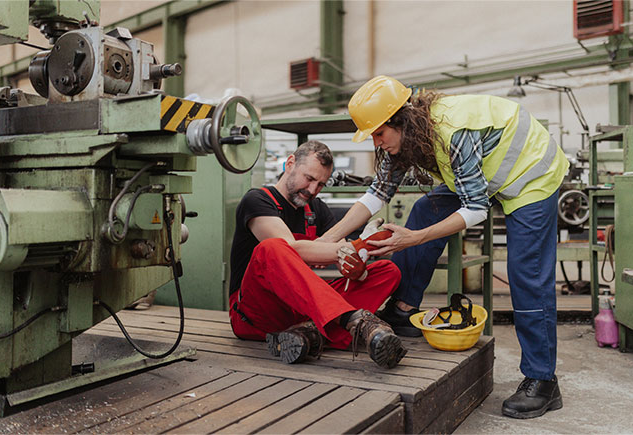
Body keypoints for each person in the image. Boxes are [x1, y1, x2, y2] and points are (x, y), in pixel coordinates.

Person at [320, 76, 568, 418]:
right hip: (488, 175)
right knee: (424, 210)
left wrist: (414, 237)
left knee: (526, 272)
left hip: (530, 174)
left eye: (378, 133)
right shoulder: (406, 139)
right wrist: (326, 241)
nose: (376, 143)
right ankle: (404, 309)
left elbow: (476, 208)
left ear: (399, 121)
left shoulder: (454, 131)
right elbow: (377, 194)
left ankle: (542, 380)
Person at [228, 140, 407, 369]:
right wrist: (357, 246)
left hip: (303, 308)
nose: (312, 190)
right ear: (290, 163)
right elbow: (292, 248)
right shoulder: (258, 200)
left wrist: (360, 260)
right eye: (309, 178)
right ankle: (351, 322)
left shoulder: (317, 209)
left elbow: (346, 263)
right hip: (257, 312)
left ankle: (309, 335)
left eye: (320, 184)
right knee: (271, 248)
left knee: (387, 271)